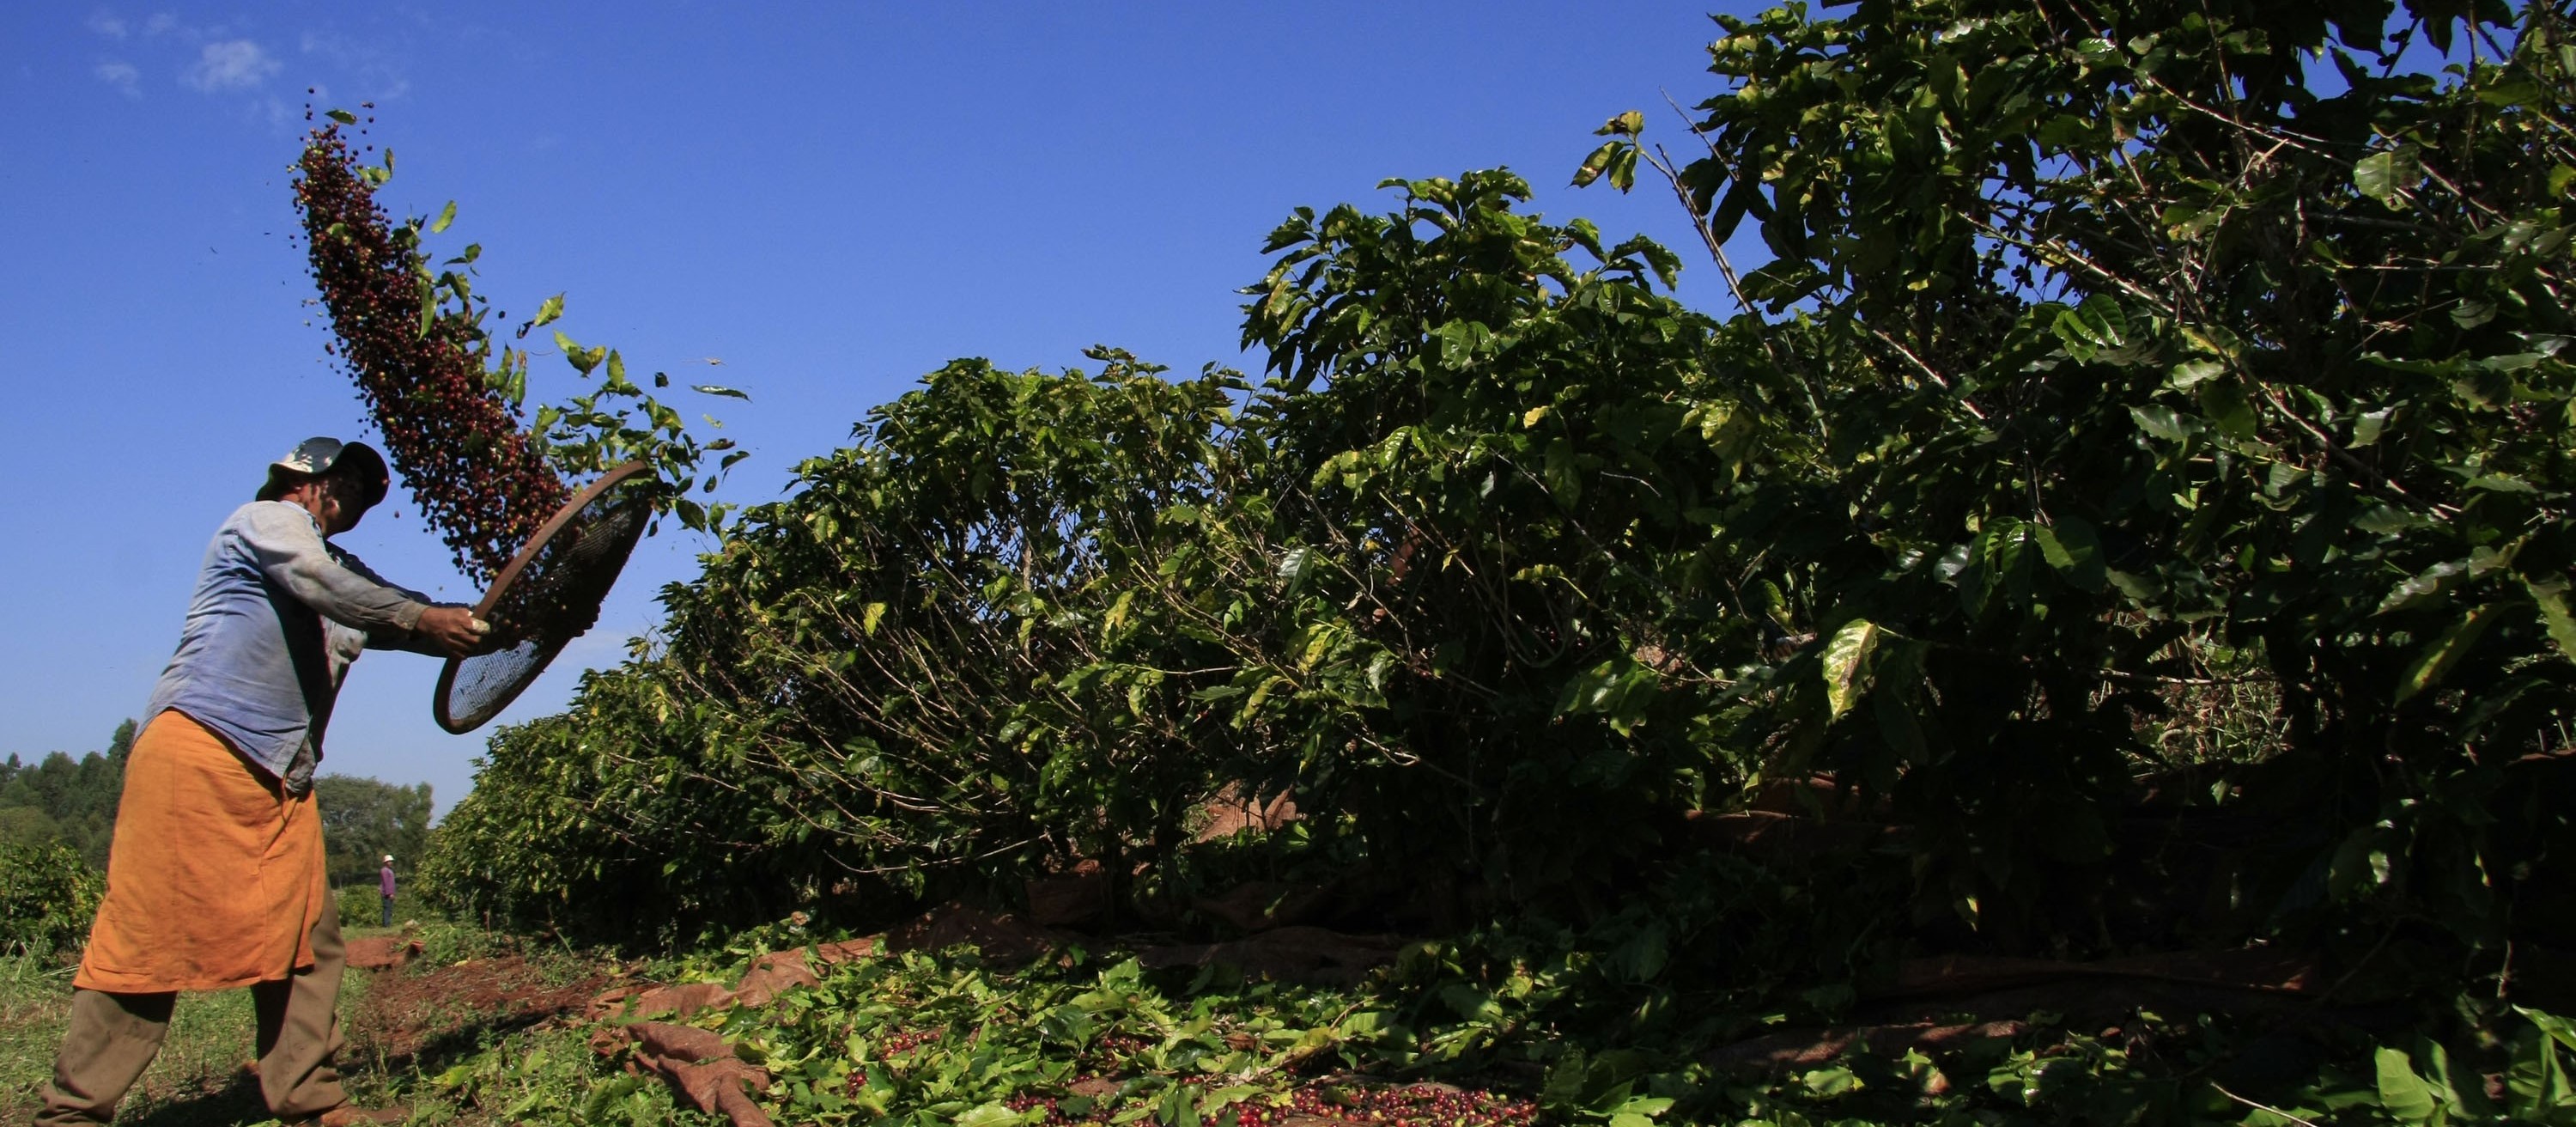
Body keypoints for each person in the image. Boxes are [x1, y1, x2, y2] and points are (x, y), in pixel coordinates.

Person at [36, 438, 489, 1127]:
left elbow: (399, 614)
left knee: (309, 940)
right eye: (347, 483)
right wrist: (423, 618)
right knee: (147, 942)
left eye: (366, 494)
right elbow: (331, 586)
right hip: (203, 748)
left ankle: (310, 1099)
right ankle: (73, 1112)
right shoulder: (268, 522)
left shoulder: (342, 568)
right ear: (308, 481)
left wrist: (492, 625)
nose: (354, 501)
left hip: (282, 776)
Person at [379, 856, 396, 928]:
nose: (390, 863)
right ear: (385, 862)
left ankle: (387, 923)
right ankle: (386, 924)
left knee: (389, 909)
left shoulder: (389, 870)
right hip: (386, 893)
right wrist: (390, 893)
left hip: (389, 892)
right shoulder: (385, 870)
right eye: (389, 861)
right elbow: (386, 883)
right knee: (387, 908)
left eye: (391, 861)